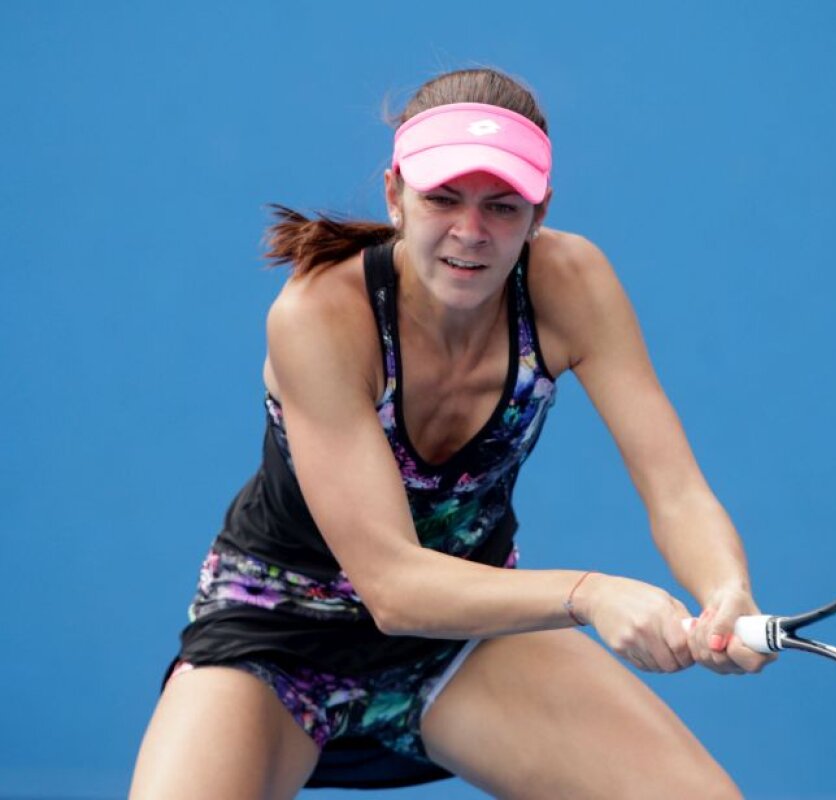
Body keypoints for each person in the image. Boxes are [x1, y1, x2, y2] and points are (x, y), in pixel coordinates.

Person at [129, 67, 773, 800]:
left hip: (464, 641)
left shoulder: (572, 283)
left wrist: (725, 588)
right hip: (275, 638)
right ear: (394, 194)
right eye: (442, 198)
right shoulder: (318, 316)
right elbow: (394, 589)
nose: (471, 232)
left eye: (502, 206)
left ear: (539, 211)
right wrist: (590, 595)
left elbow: (677, 492)